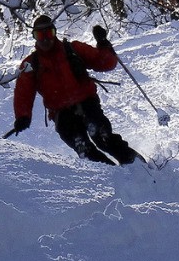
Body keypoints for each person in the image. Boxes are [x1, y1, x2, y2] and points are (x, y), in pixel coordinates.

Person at [11, 14, 142, 165]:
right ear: (34, 37)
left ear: (55, 33)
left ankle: (140, 167)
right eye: (40, 35)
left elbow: (106, 63)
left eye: (48, 33)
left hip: (87, 103)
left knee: (102, 136)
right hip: (62, 114)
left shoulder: (72, 49)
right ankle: (113, 178)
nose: (45, 39)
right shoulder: (31, 64)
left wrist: (103, 43)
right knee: (84, 149)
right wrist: (23, 116)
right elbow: (23, 92)